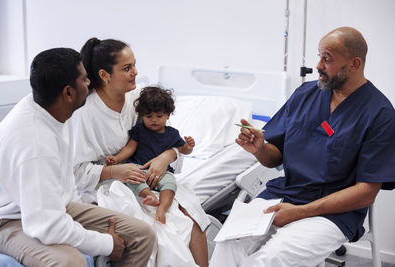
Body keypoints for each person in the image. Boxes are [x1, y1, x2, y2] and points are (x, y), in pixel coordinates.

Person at [210, 27, 395, 267]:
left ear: (354, 64)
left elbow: (366, 192)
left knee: (272, 258)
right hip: (284, 194)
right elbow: (274, 157)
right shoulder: (305, 94)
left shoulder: (379, 114)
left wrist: (300, 212)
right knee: (228, 242)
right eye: (319, 55)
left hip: (333, 213)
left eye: (327, 59)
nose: (318, 65)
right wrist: (259, 149)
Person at [0, 48, 155, 267]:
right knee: (70, 262)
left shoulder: (56, 110)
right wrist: (105, 244)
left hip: (56, 206)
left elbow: (65, 186)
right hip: (9, 219)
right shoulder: (36, 144)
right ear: (68, 92)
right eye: (85, 79)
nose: (89, 83)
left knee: (142, 234)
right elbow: (45, 225)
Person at [72, 38, 209, 267]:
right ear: (105, 75)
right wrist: (115, 170)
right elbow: (76, 173)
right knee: (160, 232)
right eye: (127, 68)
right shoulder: (84, 114)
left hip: (147, 174)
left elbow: (164, 138)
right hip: (105, 185)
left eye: (135, 64)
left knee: (192, 215)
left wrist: (168, 155)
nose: (135, 72)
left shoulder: (138, 100)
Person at [105, 85, 196, 224]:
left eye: (159, 116)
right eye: (149, 116)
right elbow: (129, 148)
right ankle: (149, 196)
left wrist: (188, 147)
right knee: (133, 178)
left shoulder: (172, 134)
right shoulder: (139, 130)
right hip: (139, 168)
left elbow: (182, 150)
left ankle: (162, 208)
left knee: (170, 185)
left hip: (163, 172)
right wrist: (116, 158)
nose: (154, 120)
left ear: (168, 115)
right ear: (142, 115)